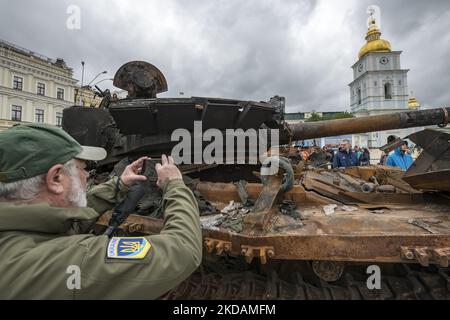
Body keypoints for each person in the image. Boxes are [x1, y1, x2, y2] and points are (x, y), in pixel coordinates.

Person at [0, 123, 202, 299]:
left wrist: (119, 185)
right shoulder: (77, 260)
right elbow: (183, 249)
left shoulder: (20, 234)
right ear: (55, 179)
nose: (87, 175)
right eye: (82, 168)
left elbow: (67, 222)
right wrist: (174, 184)